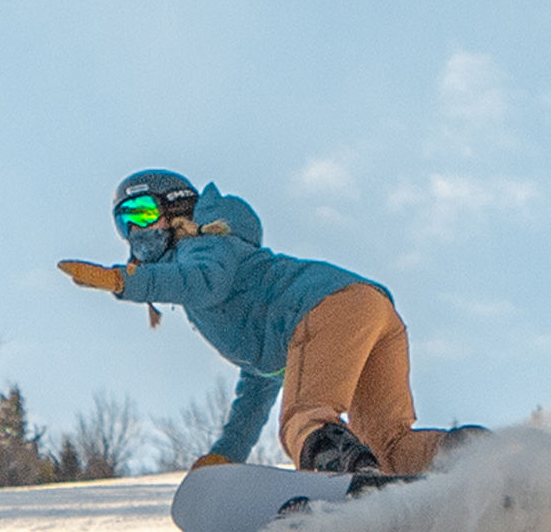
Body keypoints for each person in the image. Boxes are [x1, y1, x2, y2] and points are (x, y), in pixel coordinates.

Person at [58, 169, 481, 475]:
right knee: (387, 442)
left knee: (305, 419)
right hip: (369, 311)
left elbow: (203, 281)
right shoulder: (233, 293)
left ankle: (348, 481)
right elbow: (258, 385)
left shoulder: (207, 244)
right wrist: (227, 455)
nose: (134, 229)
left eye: (142, 211)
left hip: (324, 308)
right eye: (123, 221)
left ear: (177, 207)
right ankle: (479, 461)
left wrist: (124, 281)